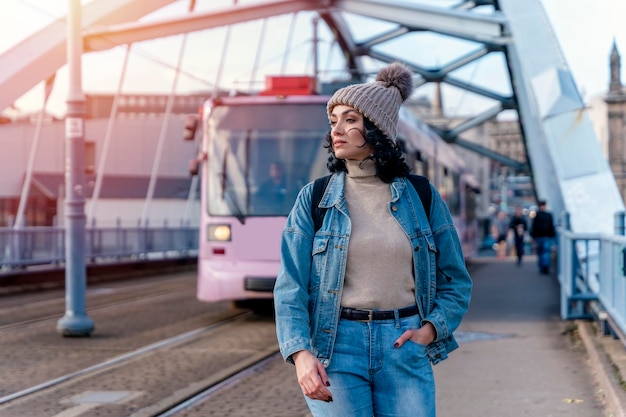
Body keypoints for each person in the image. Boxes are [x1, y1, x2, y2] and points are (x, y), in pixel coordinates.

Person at [273, 62, 472, 417]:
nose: (338, 129)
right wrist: (301, 353)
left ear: (376, 128)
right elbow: (290, 286)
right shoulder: (314, 198)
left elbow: (456, 280)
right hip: (335, 346)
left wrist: (430, 330)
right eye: (333, 120)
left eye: (350, 119)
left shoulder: (422, 196)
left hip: (404, 345)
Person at [530, 200, 556, 274]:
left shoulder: (536, 215)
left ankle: (541, 267)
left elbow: (533, 227)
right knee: (546, 252)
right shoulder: (549, 215)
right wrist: (552, 235)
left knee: (540, 252)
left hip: (538, 237)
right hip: (547, 236)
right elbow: (551, 226)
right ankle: (546, 266)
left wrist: (533, 236)